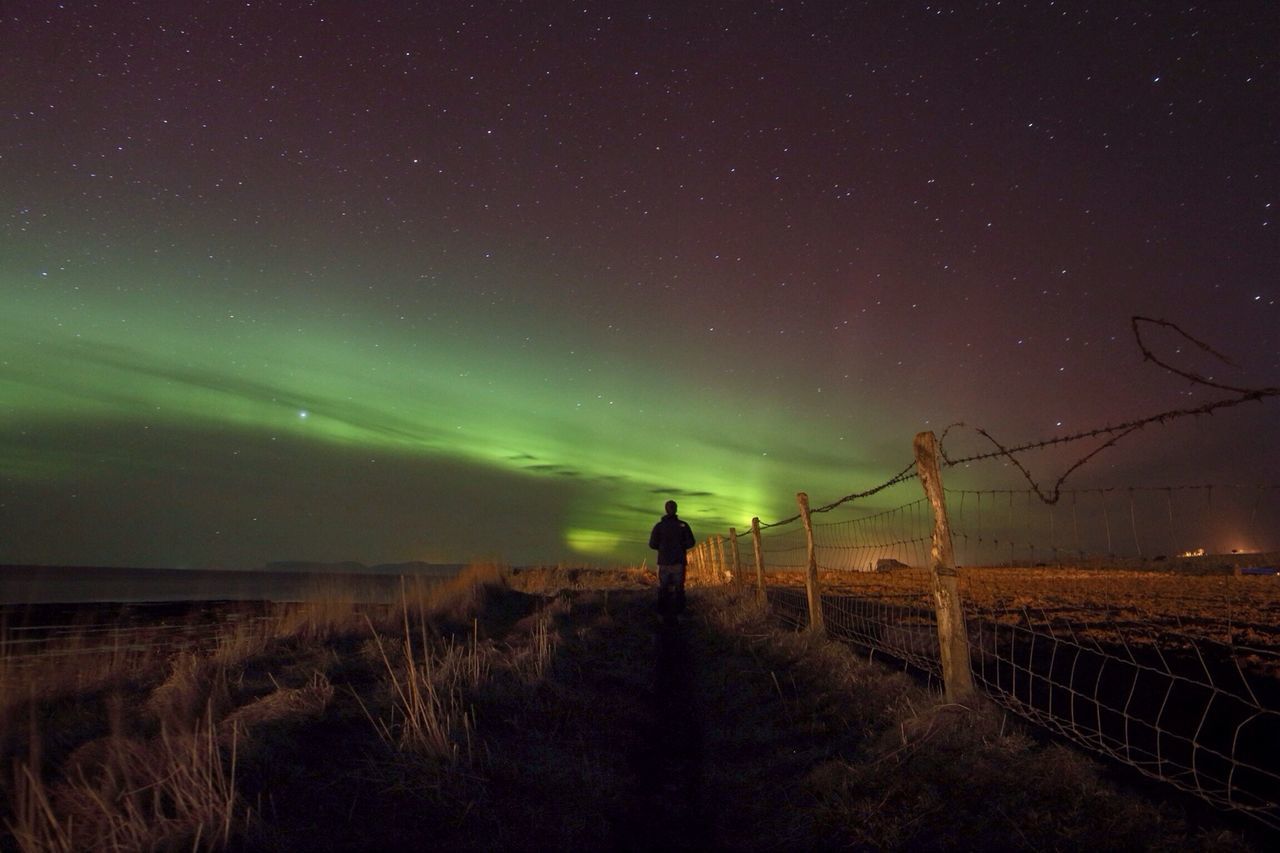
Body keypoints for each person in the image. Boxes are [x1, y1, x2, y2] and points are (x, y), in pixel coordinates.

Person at [649, 499, 696, 618]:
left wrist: (663, 548)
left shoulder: (659, 527)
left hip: (664, 562)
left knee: (663, 589)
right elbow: (691, 542)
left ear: (666, 509)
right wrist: (680, 547)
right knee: (679, 589)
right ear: (676, 509)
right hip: (679, 562)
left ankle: (662, 614)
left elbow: (652, 544)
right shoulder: (683, 525)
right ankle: (679, 614)